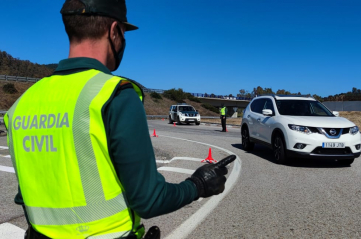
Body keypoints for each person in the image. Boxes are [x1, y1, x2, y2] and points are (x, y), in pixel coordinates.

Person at [4, 0, 234, 238]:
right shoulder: (114, 94)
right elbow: (149, 200)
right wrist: (198, 185)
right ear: (114, 31)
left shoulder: (21, 104)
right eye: (124, 34)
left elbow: (25, 195)